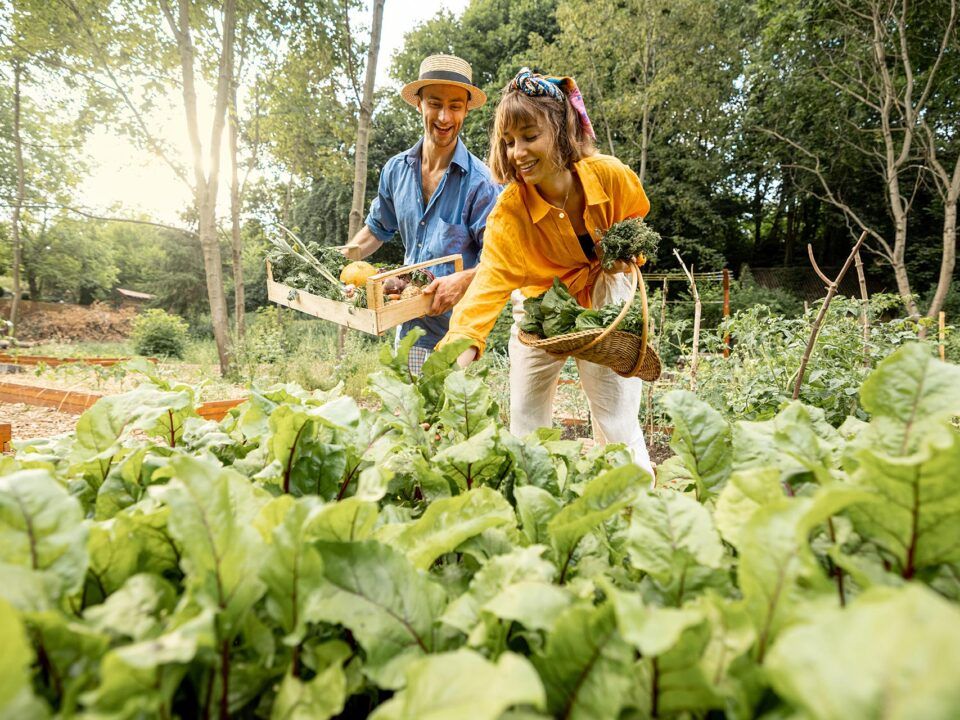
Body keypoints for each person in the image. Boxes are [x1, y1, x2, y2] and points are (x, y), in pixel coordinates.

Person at [438, 68, 654, 476]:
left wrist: (628, 257)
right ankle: (539, 495)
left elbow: (636, 218)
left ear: (560, 130)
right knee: (525, 415)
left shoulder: (611, 175)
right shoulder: (510, 213)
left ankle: (632, 504)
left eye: (529, 136)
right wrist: (449, 369)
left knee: (616, 416)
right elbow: (485, 292)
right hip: (541, 306)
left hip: (606, 296)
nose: (517, 152)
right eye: (508, 141)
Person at [343, 54, 500, 375]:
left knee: (450, 419)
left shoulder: (481, 184)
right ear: (419, 104)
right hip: (409, 328)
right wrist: (340, 261)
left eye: (455, 106)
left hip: (458, 335)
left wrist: (464, 279)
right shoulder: (395, 171)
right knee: (408, 418)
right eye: (435, 103)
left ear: (466, 109)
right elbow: (375, 229)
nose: (444, 116)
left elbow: (498, 262)